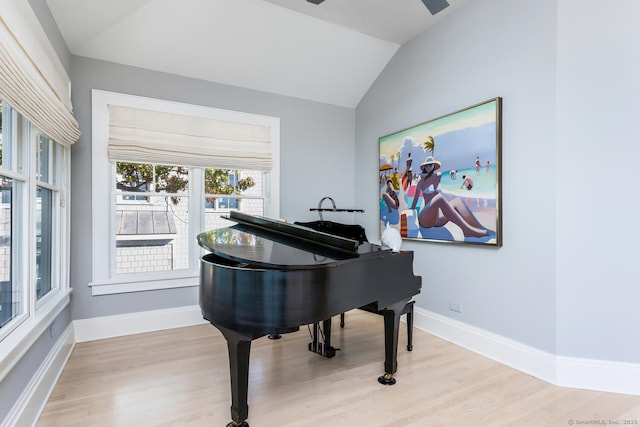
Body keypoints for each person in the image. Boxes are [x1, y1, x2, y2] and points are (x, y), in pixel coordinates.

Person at [410, 156, 490, 238]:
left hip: (436, 220)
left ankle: (479, 227)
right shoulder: (421, 177)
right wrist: (411, 212)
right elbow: (416, 197)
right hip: (425, 219)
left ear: (434, 166)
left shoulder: (438, 176)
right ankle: (467, 230)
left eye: (430, 165)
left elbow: (445, 177)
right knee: (439, 198)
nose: (428, 167)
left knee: (457, 201)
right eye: (426, 166)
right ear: (424, 167)